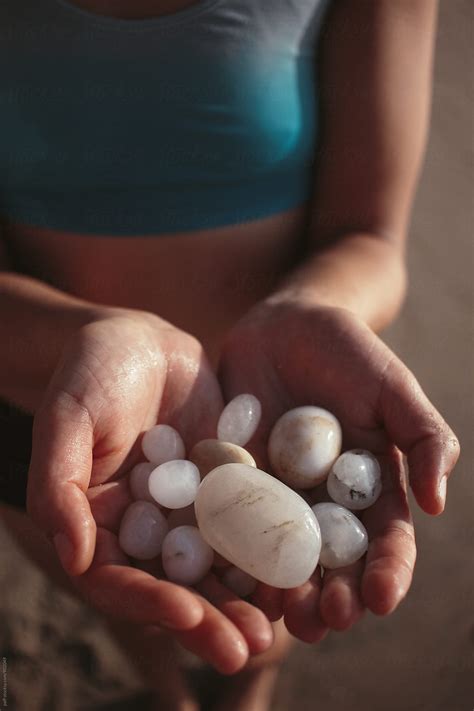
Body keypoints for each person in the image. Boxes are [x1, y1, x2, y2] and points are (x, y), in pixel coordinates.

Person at [0, 0, 460, 709]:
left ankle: (249, 693)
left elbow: (371, 237)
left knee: (267, 625)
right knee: (127, 598)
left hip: (290, 398)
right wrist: (77, 338)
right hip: (50, 415)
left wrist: (308, 308)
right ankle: (166, 692)